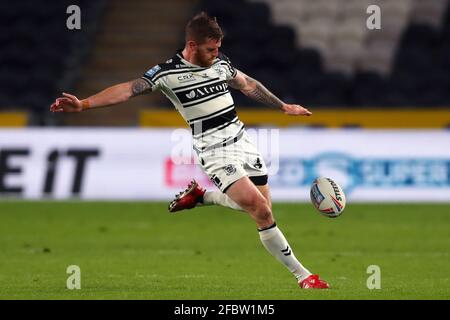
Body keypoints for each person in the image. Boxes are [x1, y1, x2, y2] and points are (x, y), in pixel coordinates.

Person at [50, 12, 329, 289]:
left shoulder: (221, 64)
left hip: (242, 141)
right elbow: (127, 89)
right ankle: (304, 277)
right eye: (211, 49)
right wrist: (84, 104)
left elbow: (249, 85)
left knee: (262, 206)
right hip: (214, 150)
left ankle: (202, 196)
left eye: (218, 48)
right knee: (262, 213)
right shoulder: (167, 74)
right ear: (192, 46)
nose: (215, 54)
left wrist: (283, 107)